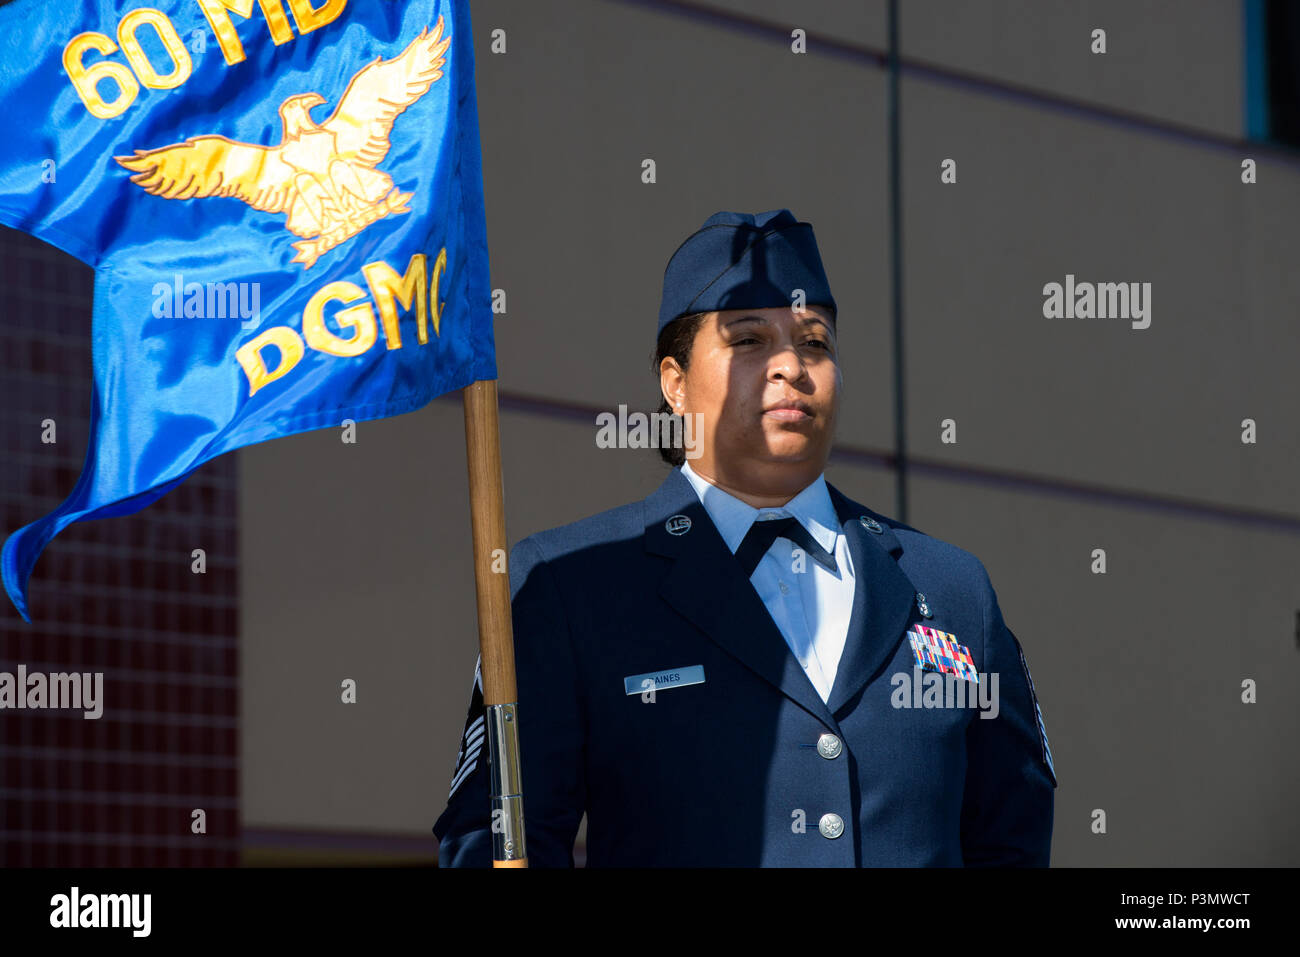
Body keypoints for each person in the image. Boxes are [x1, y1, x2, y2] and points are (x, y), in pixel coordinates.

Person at [433, 208, 1056, 866]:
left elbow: (1012, 834)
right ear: (674, 383)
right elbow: (496, 837)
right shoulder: (569, 586)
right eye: (750, 340)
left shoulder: (953, 589)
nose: (792, 365)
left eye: (815, 341)